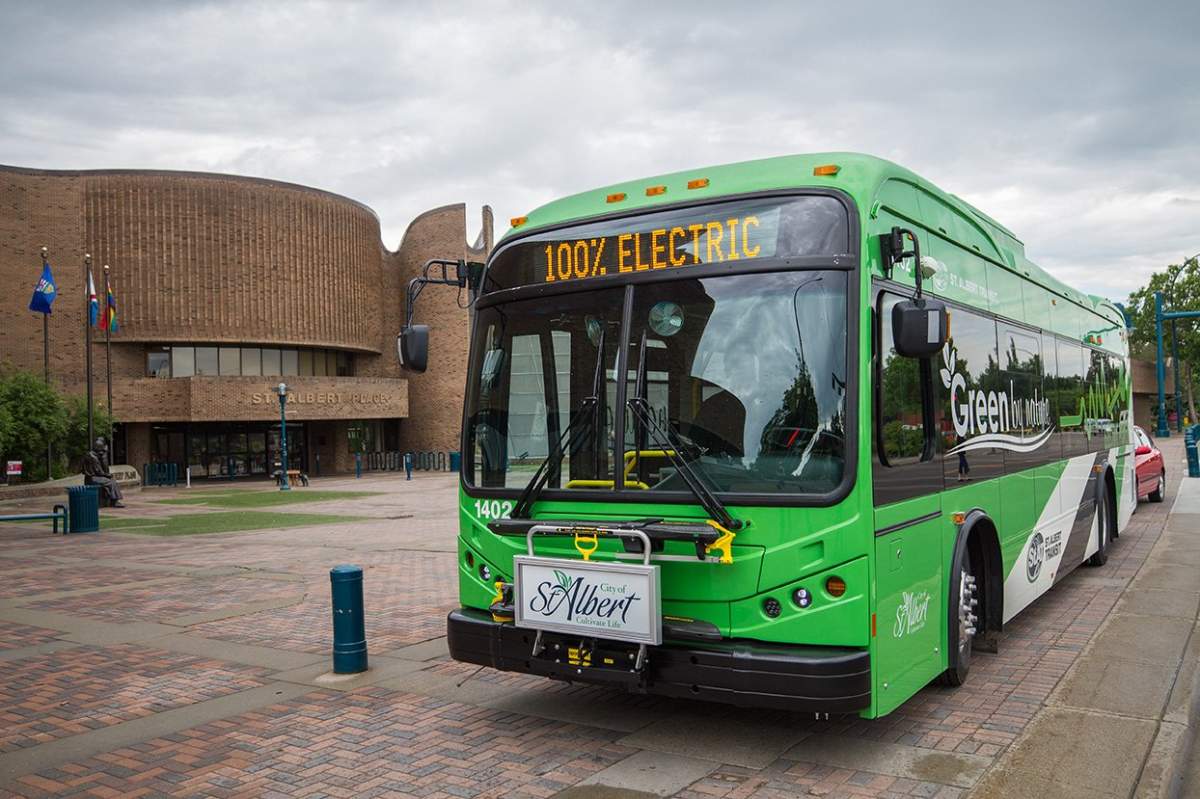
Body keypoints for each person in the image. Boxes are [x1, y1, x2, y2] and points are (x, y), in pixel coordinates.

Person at [82, 437, 125, 507]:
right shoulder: (92, 457)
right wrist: (107, 475)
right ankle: (114, 501)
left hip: (93, 477)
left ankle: (112, 500)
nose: (103, 450)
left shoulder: (92, 455)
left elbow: (102, 470)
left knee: (110, 481)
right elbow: (99, 471)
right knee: (112, 482)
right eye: (102, 448)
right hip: (93, 478)